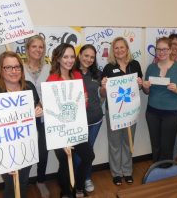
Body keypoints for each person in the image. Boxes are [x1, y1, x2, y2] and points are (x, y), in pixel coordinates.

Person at [0, 51, 43, 198]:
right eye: (8, 67)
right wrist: (2, 160)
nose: (14, 71)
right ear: (1, 70)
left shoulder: (29, 87)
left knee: (23, 182)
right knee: (11, 186)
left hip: (26, 146)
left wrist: (39, 109)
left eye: (17, 67)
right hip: (5, 151)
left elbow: (36, 106)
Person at [47, 43, 95, 198]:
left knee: (88, 156)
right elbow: (50, 111)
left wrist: (85, 100)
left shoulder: (77, 75)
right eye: (65, 56)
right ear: (58, 58)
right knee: (65, 162)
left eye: (72, 56)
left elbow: (84, 103)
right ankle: (66, 192)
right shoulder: (52, 79)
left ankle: (79, 187)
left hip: (76, 127)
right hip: (60, 131)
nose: (69, 60)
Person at [100, 37, 143, 186]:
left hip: (131, 111)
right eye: (116, 48)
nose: (119, 50)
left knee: (128, 141)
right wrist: (104, 87)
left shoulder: (135, 65)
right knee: (115, 143)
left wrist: (140, 83)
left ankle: (127, 171)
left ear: (127, 49)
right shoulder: (108, 68)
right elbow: (103, 94)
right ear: (113, 50)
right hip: (114, 112)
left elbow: (140, 88)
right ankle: (116, 173)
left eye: (122, 47)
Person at [143, 37, 177, 163]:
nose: (161, 52)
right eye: (158, 49)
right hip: (152, 112)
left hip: (172, 114)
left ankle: (165, 173)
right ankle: (155, 172)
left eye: (165, 49)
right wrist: (146, 87)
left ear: (170, 50)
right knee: (156, 146)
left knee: (167, 147)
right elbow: (147, 92)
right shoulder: (151, 68)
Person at [23, 35, 51, 198]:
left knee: (43, 150)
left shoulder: (49, 68)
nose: (38, 50)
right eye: (34, 46)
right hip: (25, 117)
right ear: (27, 49)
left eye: (41, 47)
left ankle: (41, 181)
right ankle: (22, 183)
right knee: (25, 150)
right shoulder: (19, 68)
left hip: (44, 117)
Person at [74, 44, 103, 192]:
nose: (89, 59)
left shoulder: (97, 73)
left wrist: (104, 88)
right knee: (80, 153)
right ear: (79, 55)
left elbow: (102, 96)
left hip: (96, 119)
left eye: (92, 57)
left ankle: (86, 178)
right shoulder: (70, 72)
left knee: (89, 152)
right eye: (86, 55)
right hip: (78, 122)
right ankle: (76, 181)